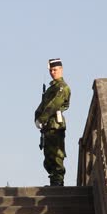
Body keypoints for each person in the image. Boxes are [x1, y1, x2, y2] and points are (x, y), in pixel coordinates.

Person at [34, 58, 71, 186]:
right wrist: (37, 116)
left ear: (61, 70)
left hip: (56, 124)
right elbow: (43, 105)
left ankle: (58, 183)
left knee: (56, 155)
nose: (52, 72)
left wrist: (42, 118)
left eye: (55, 70)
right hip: (48, 126)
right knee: (49, 156)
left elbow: (54, 104)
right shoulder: (51, 89)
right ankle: (54, 182)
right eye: (51, 70)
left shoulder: (62, 87)